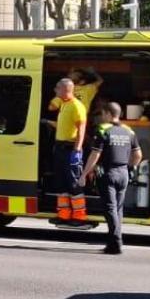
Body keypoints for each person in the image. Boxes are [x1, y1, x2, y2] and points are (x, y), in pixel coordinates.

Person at [83, 101, 143, 254]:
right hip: (123, 173)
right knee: (118, 209)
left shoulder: (103, 130)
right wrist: (130, 167)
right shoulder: (129, 131)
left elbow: (95, 154)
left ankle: (116, 243)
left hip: (107, 173)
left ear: (108, 114)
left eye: (103, 114)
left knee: (110, 209)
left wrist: (84, 174)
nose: (102, 117)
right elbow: (138, 155)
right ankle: (112, 243)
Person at [50, 77, 89, 225]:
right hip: (60, 148)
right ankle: (64, 214)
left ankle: (79, 217)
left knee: (73, 183)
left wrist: (77, 150)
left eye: (57, 88)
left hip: (70, 149)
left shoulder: (76, 106)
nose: (55, 90)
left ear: (66, 89)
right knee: (61, 183)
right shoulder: (64, 104)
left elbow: (81, 129)